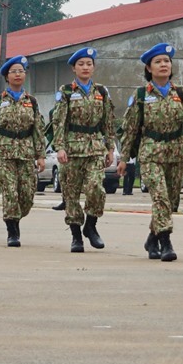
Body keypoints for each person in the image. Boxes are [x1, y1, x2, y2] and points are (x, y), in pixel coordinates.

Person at [117, 43, 183, 262]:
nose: (164, 65)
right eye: (158, 62)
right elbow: (130, 129)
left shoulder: (181, 93)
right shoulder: (140, 95)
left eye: (167, 61)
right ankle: (166, 242)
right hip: (150, 153)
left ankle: (151, 238)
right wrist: (124, 158)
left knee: (171, 201)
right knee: (161, 198)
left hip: (175, 153)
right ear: (149, 68)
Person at [51, 47, 116, 252]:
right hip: (72, 148)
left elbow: (108, 122)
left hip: (95, 146)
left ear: (94, 68)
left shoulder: (101, 92)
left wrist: (110, 148)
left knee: (96, 188)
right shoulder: (67, 92)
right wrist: (59, 147)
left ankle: (91, 226)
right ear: (74, 68)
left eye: (89, 64)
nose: (85, 67)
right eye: (81, 64)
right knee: (71, 194)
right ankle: (76, 235)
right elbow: (58, 121)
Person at [0, 56, 46, 247]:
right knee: (10, 191)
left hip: (25, 151)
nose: (18, 74)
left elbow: (38, 130)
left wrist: (40, 155)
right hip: (3, 151)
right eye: (13, 71)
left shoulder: (31, 101)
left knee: (26, 193)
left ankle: (17, 216)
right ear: (7, 77)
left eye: (21, 71)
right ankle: (12, 231)